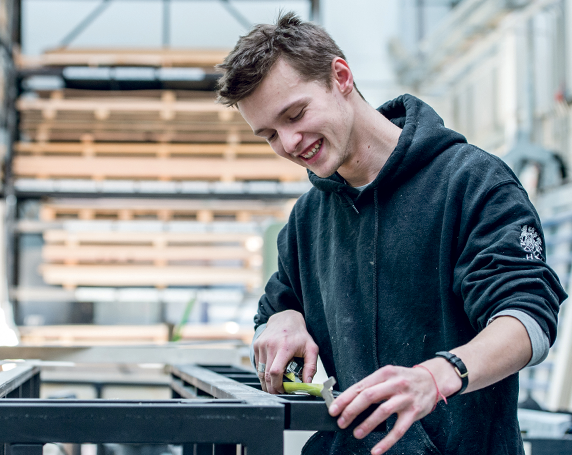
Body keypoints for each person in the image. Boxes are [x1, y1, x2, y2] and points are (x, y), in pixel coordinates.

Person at [215, 12, 567, 455]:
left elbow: (527, 320)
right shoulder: (306, 220)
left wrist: (436, 376)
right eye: (269, 134)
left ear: (340, 76)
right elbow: (275, 313)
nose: (288, 143)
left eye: (296, 114)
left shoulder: (471, 183)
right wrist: (282, 319)